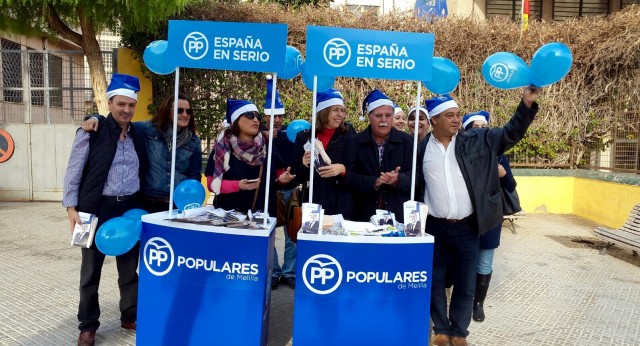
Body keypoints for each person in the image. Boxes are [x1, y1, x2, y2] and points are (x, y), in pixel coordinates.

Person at [416, 87, 539, 346]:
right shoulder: (421, 149)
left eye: (458, 114)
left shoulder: (478, 139)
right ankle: (440, 328)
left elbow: (510, 133)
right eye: (449, 115)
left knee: (465, 280)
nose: (455, 119)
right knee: (435, 280)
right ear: (434, 120)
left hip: (467, 226)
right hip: (434, 227)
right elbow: (415, 184)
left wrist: (526, 105)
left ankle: (459, 332)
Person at [62, 73, 148, 346]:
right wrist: (71, 209)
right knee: (90, 272)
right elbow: (73, 172)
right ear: (110, 103)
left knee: (129, 270)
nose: (126, 110)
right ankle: (88, 325)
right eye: (121, 104)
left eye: (131, 105)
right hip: (93, 209)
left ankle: (129, 314)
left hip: (130, 209)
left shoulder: (139, 135)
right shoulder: (90, 131)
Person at [83, 94, 202, 213]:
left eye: (188, 111)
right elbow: (120, 122)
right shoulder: (149, 129)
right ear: (167, 112)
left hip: (178, 204)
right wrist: (96, 118)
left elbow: (194, 175)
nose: (185, 115)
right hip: (149, 203)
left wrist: (191, 203)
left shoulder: (193, 141)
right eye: (179, 110)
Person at [461, 110, 518, 323]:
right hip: (466, 218)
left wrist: (503, 175)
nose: (480, 131)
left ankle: (478, 303)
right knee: (465, 262)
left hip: (490, 218)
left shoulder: (499, 154)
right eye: (474, 127)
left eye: (483, 127)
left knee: (484, 262)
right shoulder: (461, 154)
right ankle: (463, 301)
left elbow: (511, 186)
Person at [204, 98, 295, 216]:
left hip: (263, 217)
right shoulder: (222, 148)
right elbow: (211, 184)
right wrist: (238, 186)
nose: (255, 120)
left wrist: (282, 179)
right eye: (249, 115)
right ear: (236, 120)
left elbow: (277, 176)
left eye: (258, 116)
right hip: (230, 218)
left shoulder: (267, 145)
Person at [347, 89, 414, 223]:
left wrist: (397, 179)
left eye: (388, 115)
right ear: (369, 116)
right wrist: (375, 182)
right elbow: (349, 178)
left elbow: (417, 177)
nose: (383, 120)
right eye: (378, 116)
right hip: (364, 216)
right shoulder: (355, 142)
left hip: (399, 216)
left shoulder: (408, 142)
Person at [291, 88, 355, 219]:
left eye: (342, 110)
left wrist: (342, 169)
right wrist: (304, 164)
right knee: (312, 239)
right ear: (323, 111)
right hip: (313, 204)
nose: (340, 115)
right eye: (336, 110)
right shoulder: (304, 137)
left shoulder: (349, 136)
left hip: (340, 204)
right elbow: (295, 174)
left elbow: (359, 170)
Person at [262, 75, 297, 290]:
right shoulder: (258, 138)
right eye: (273, 116)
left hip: (291, 190)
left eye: (281, 116)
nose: (278, 119)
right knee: (270, 233)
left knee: (292, 234)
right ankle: (274, 271)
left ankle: (290, 271)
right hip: (269, 191)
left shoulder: (290, 135)